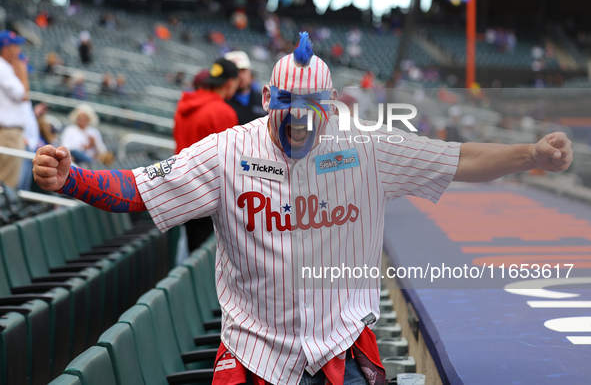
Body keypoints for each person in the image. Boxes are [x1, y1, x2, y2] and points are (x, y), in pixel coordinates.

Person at [33, 33, 573, 385]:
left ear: (330, 107)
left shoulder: (365, 148)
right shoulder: (228, 150)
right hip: (255, 354)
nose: (298, 123)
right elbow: (139, 188)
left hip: (339, 346)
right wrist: (72, 177)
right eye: (287, 108)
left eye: (311, 110)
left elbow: (458, 159)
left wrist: (530, 155)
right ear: (268, 99)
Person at [173, 58, 239, 251]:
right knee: (207, 255)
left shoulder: (184, 105)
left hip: (183, 189)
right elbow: (228, 162)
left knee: (191, 248)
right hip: (209, 194)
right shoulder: (223, 112)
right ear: (230, 83)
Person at [0, 30, 33, 188]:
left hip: (10, 132)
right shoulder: (2, 66)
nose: (19, 50)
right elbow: (22, 94)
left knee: (8, 185)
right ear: (6, 48)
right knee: (6, 185)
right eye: (15, 46)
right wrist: (23, 74)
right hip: (8, 132)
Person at [224, 50, 267, 126]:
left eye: (243, 70)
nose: (240, 76)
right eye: (236, 71)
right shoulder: (222, 102)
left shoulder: (263, 100)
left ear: (250, 72)